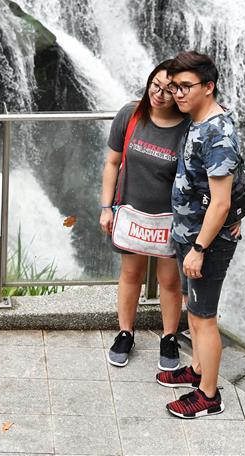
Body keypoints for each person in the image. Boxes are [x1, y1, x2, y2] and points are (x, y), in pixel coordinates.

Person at [155, 51, 243, 418]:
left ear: (209, 87)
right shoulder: (200, 119)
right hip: (189, 233)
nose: (177, 93)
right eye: (174, 86)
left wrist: (200, 248)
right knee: (194, 309)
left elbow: (220, 203)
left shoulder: (217, 132)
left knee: (204, 317)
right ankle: (197, 370)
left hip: (205, 242)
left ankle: (209, 395)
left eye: (185, 86)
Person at [100, 60, 191, 369]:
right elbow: (112, 163)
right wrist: (105, 207)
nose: (160, 95)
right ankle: (125, 333)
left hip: (169, 219)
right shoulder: (130, 115)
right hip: (130, 212)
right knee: (130, 274)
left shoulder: (187, 127)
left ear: (179, 94)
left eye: (168, 90)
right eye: (155, 86)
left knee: (168, 280)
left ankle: (168, 337)